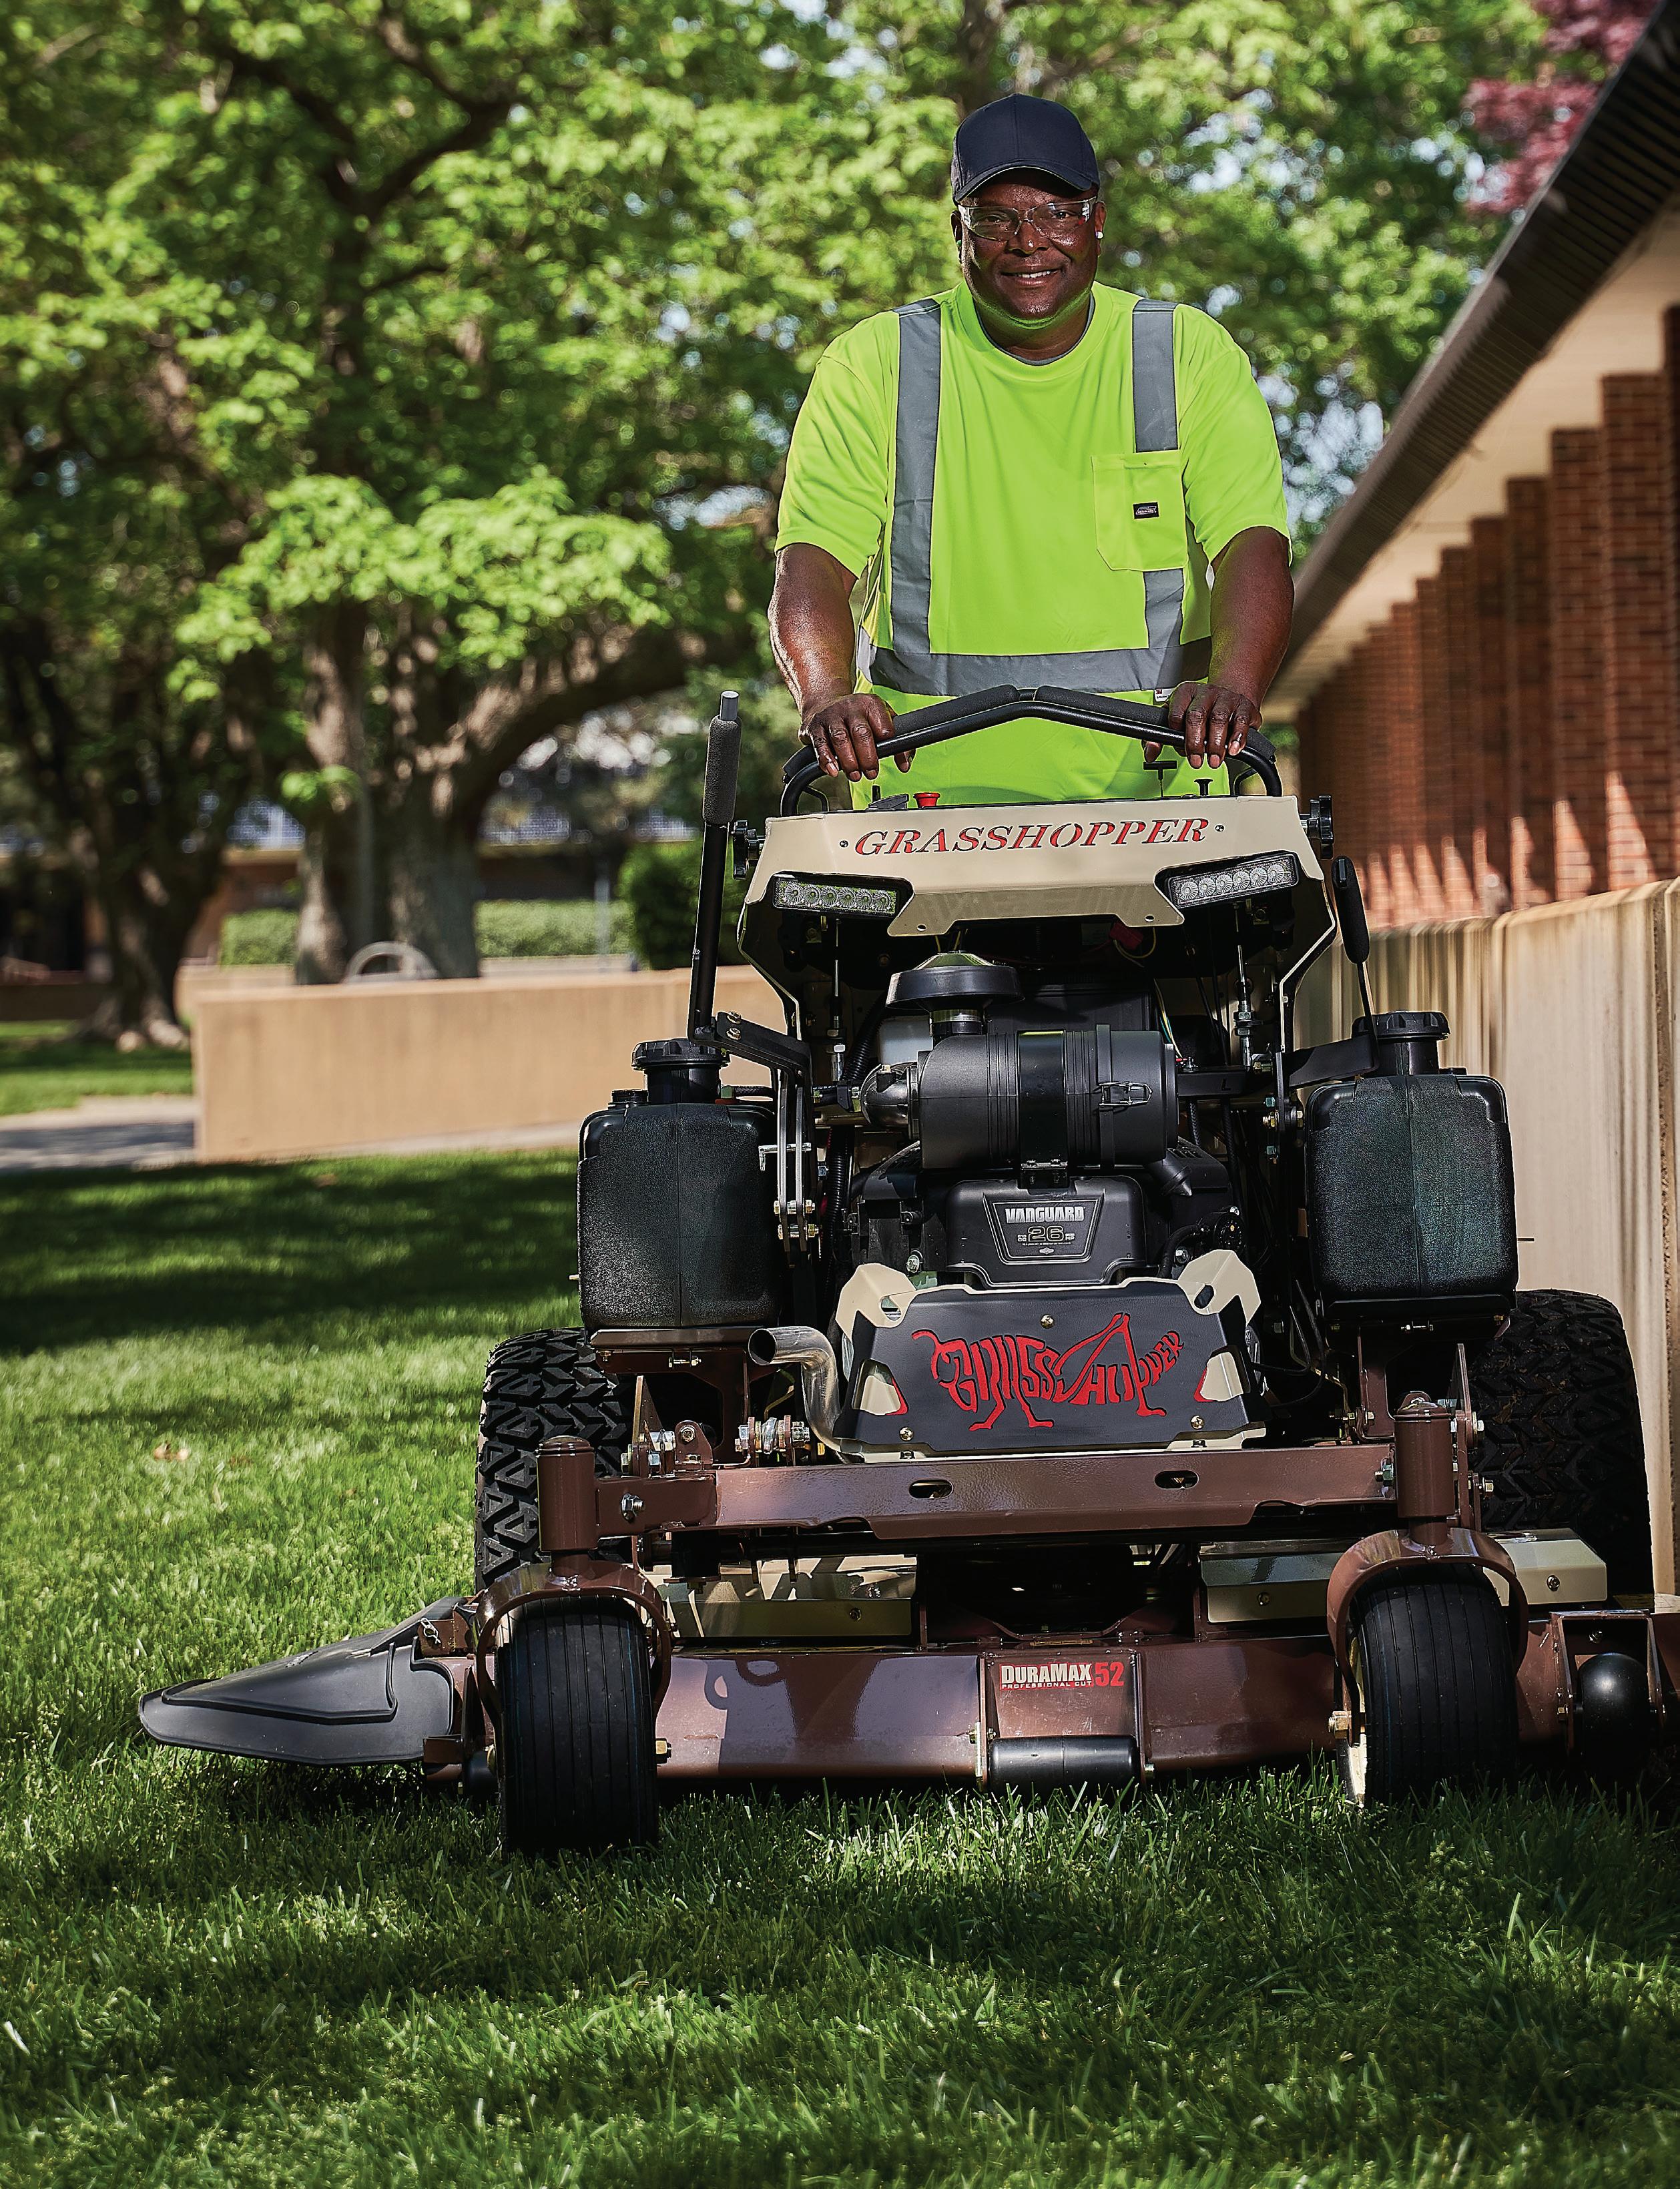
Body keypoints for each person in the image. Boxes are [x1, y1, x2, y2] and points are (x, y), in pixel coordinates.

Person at [769, 91, 1292, 806]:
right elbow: (812, 564)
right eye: (996, 219)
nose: (1028, 240)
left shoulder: (1185, 355)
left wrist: (1232, 690)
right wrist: (827, 698)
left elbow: (1251, 547)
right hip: (922, 801)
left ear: (1098, 222)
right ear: (959, 231)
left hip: (1161, 792)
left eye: (1056, 212)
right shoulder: (873, 365)